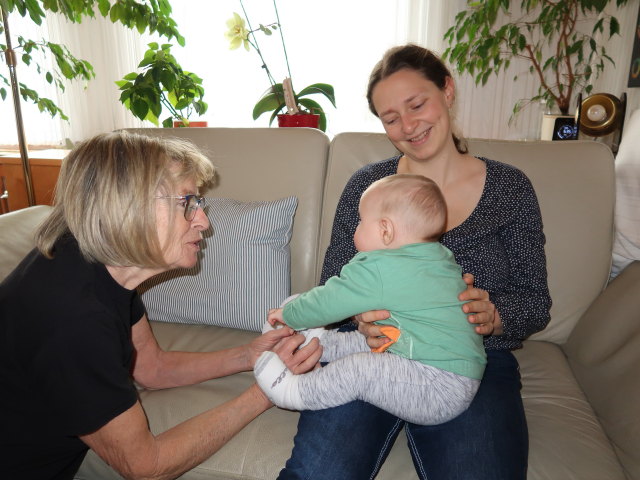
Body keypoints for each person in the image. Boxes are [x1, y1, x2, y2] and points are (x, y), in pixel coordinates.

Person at [278, 44, 552, 480]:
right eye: (390, 118)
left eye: (416, 104)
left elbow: (535, 302)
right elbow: (334, 282)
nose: (407, 125)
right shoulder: (368, 188)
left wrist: (495, 315)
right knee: (320, 473)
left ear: (447, 90)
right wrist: (359, 318)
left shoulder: (509, 188)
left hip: (470, 363)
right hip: (377, 349)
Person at [0, 131, 322, 480]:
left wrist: (250, 356)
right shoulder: (74, 319)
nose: (204, 221)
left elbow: (152, 368)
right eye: (188, 202)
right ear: (127, 206)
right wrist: (267, 390)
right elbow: (146, 466)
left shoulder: (98, 262)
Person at [255, 173, 486, 426]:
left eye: (361, 221)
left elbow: (332, 300)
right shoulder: (438, 257)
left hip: (437, 385)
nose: (357, 228)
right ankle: (321, 341)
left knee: (360, 369)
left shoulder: (380, 267)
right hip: (447, 370)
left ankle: (294, 392)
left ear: (385, 230)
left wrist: (289, 314)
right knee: (379, 338)